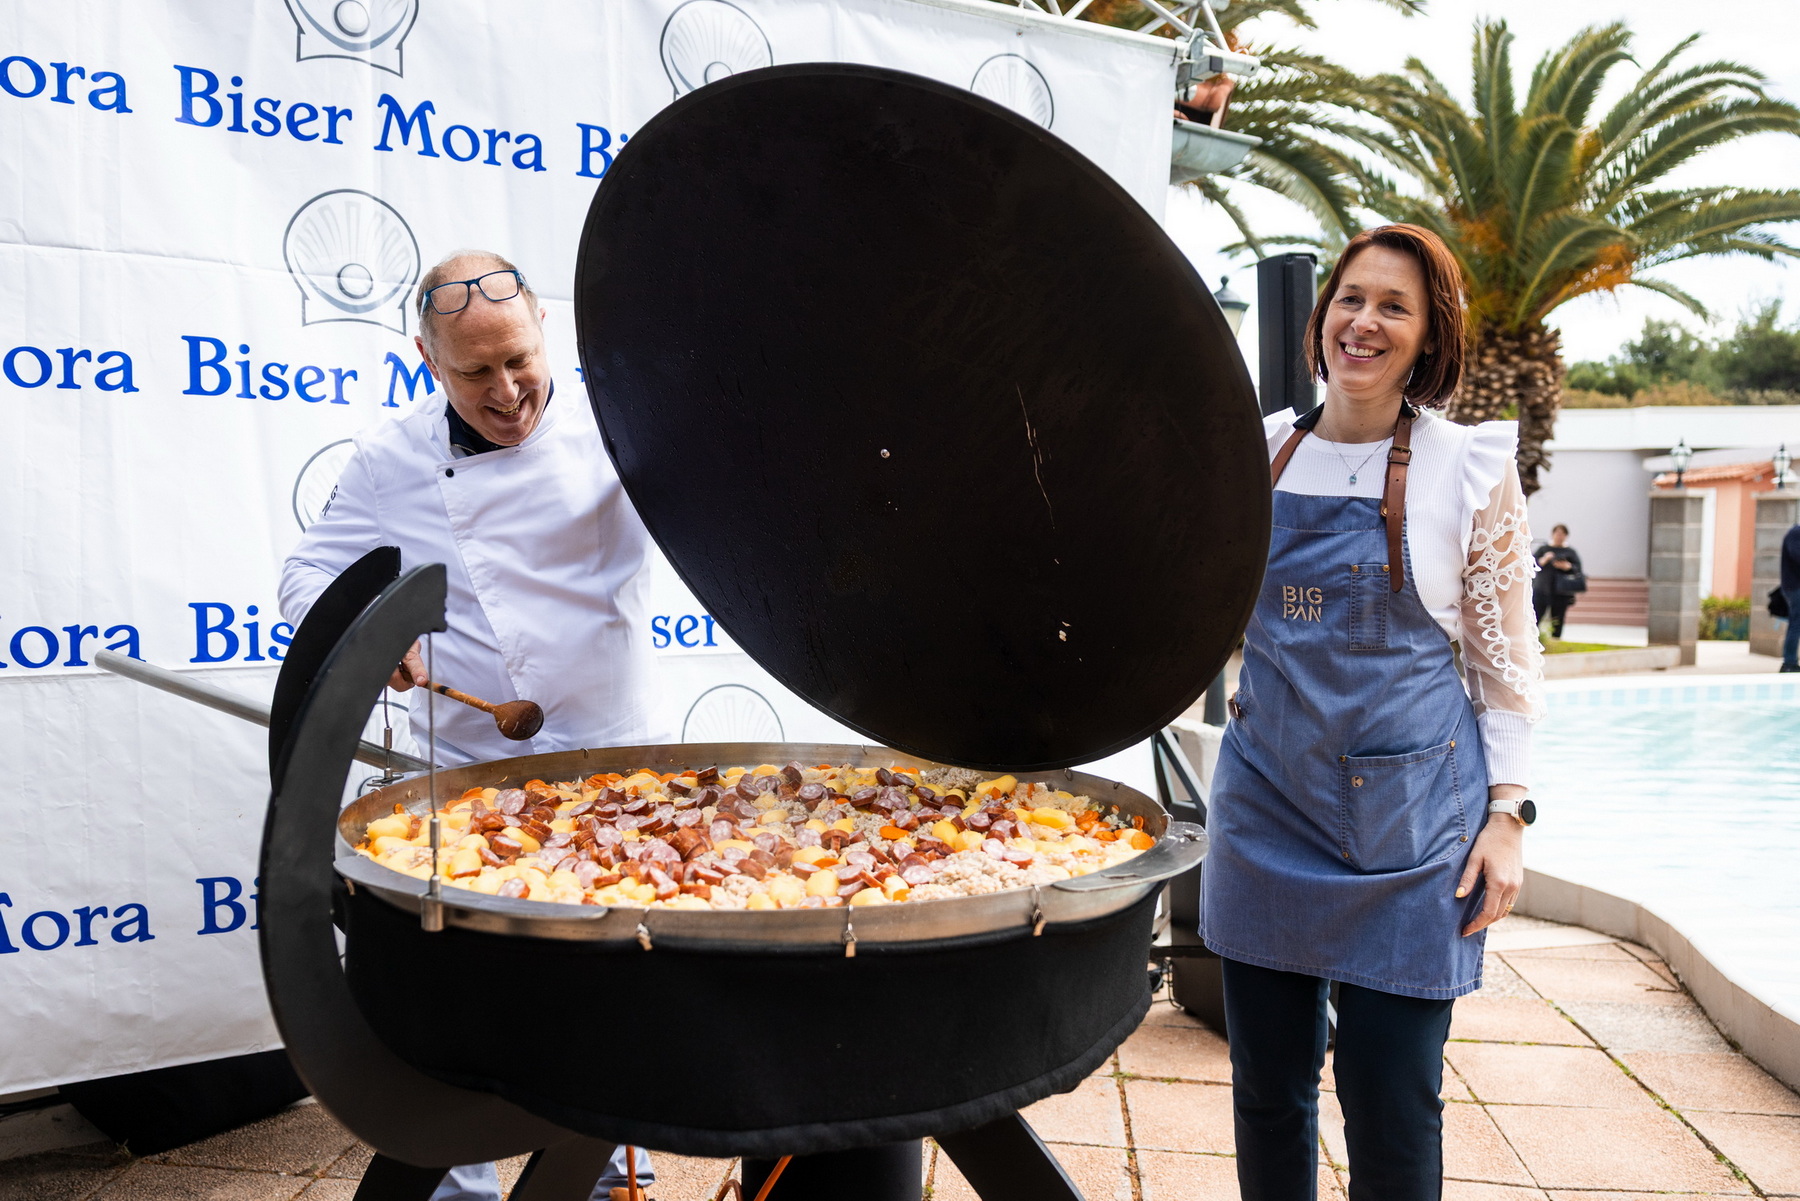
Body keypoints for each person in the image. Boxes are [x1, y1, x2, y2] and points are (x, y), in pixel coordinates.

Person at [280, 251, 659, 1201]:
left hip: (612, 756)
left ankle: (609, 1169)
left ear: (544, 330)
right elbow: (308, 574)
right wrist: (370, 634)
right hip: (471, 762)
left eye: (519, 359)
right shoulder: (392, 459)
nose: (507, 390)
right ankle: (460, 1183)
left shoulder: (619, 422)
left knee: (608, 977)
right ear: (428, 360)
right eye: (475, 371)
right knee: (467, 989)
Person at [1201, 224, 1544, 1200]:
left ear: (1430, 337)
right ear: (1323, 318)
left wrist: (1508, 815)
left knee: (1391, 1100)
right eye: (1351, 298)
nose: (1365, 321)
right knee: (1268, 1091)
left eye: (1396, 306)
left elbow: (1507, 658)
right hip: (1266, 811)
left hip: (1413, 833)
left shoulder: (1465, 467)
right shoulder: (1259, 451)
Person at [1532, 524, 1583, 638]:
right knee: (1536, 617)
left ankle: (1555, 640)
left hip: (1561, 592)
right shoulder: (1544, 549)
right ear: (1552, 534)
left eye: (1562, 534)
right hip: (1542, 589)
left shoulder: (1570, 552)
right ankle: (1534, 639)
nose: (1559, 536)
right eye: (1557, 533)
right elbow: (1532, 563)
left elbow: (1578, 569)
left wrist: (1567, 566)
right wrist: (1544, 559)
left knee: (1558, 619)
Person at [1782, 518, 1800, 672]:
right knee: (1796, 623)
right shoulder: (1796, 533)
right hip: (1795, 587)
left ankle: (1790, 661)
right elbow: (1797, 555)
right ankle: (1789, 662)